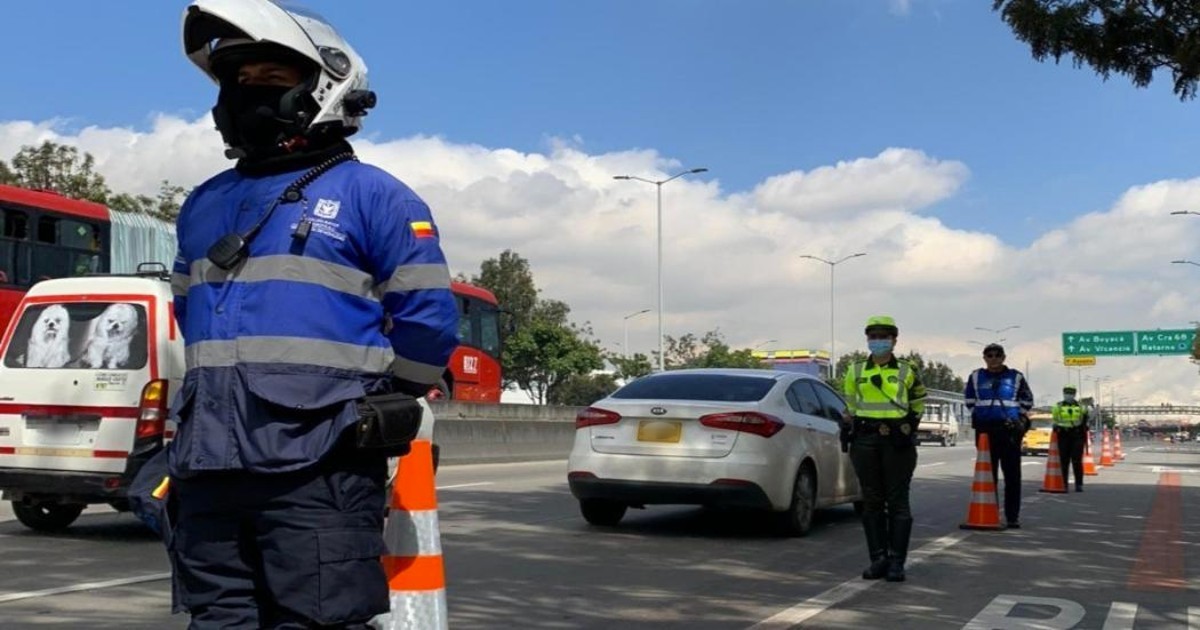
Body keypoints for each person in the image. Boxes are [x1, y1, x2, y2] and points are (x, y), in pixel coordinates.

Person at [170, 1, 459, 627]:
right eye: (235, 82)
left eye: (268, 80)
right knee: (217, 618)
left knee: (319, 619)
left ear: (323, 88)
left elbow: (428, 317)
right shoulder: (203, 203)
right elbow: (188, 312)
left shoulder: (374, 194)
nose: (246, 96)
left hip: (319, 462)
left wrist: (392, 397)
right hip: (208, 460)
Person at [842, 315, 927, 582]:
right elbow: (851, 405)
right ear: (867, 339)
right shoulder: (855, 370)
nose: (878, 341)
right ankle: (877, 559)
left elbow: (919, 400)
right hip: (866, 440)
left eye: (884, 336)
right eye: (874, 336)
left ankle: (896, 562)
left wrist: (909, 426)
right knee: (872, 501)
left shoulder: (907, 369)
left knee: (898, 501)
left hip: (897, 441)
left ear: (894, 340)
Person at [962, 343, 1034, 528]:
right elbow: (969, 400)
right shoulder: (976, 376)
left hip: (1009, 431)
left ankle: (1012, 517)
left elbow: (1027, 400)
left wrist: (1016, 417)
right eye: (989, 355)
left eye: (997, 355)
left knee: (1012, 475)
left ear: (1003, 357)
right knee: (987, 475)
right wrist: (981, 414)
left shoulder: (1015, 377)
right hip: (985, 432)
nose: (993, 358)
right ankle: (989, 513)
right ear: (984, 357)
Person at [1051, 385, 1089, 492]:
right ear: (1063, 393)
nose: (1069, 394)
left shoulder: (1081, 407)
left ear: (1074, 394)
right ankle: (1064, 484)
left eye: (1071, 392)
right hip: (1063, 435)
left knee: (1077, 461)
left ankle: (1079, 484)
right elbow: (1055, 420)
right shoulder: (1057, 406)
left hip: (1077, 435)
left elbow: (1086, 419)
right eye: (1067, 392)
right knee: (1064, 461)